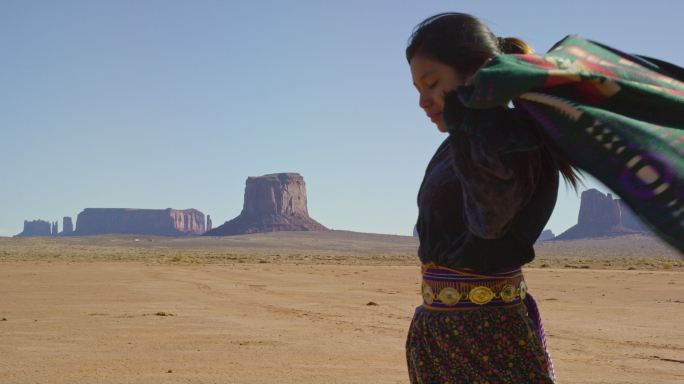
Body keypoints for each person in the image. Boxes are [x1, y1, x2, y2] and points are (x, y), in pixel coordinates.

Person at [404, 13, 582, 383]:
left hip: (485, 339)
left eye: (432, 83)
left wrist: (473, 123)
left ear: (478, 73)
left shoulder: (512, 139)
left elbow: (489, 222)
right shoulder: (459, 143)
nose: (423, 101)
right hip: (446, 335)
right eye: (418, 90)